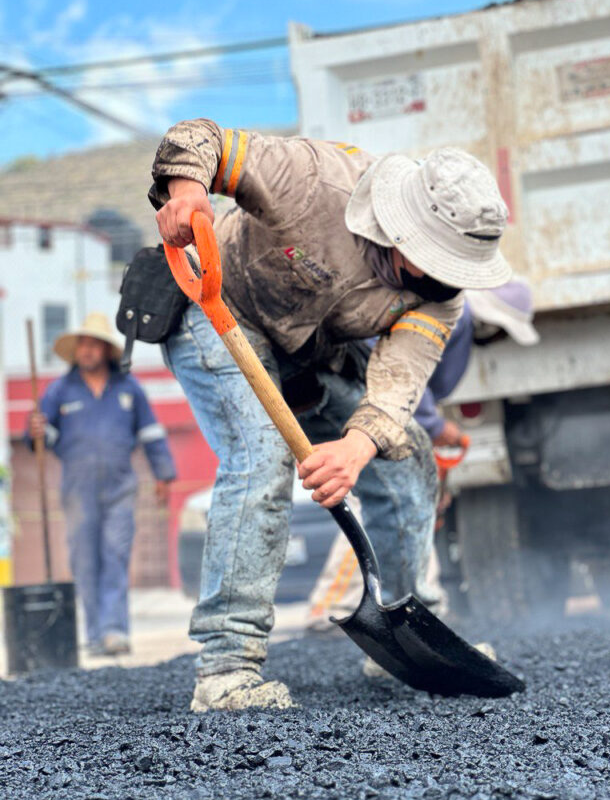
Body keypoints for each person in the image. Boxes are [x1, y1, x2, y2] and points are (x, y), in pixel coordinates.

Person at [151, 120, 532, 712]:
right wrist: (187, 191)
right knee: (261, 456)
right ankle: (226, 668)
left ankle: (403, 625)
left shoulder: (440, 296)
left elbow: (393, 392)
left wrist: (354, 451)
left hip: (308, 357)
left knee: (407, 452)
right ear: (403, 228)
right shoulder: (314, 179)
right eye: (437, 258)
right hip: (214, 309)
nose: (445, 276)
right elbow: (203, 138)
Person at [305, 284, 540, 633]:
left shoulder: (452, 317)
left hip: (388, 412)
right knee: (389, 503)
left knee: (412, 509)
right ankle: (331, 607)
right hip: (379, 411)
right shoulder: (457, 318)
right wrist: (433, 425)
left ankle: (418, 607)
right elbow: (408, 374)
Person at [26, 312, 176, 656]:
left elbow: (151, 433)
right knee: (84, 561)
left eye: (94, 344)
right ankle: (94, 634)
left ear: (107, 351)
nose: (88, 350)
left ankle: (114, 631)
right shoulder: (59, 391)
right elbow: (42, 437)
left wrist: (164, 475)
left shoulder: (129, 388)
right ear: (77, 350)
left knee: (115, 555)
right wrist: (35, 430)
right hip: (78, 491)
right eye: (83, 344)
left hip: (120, 488)